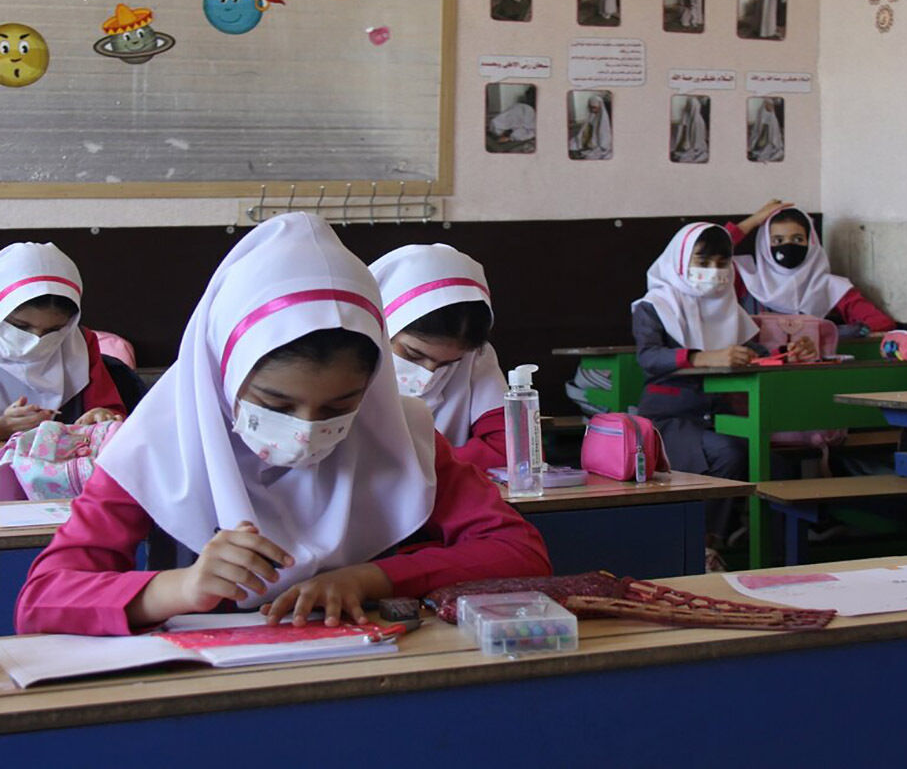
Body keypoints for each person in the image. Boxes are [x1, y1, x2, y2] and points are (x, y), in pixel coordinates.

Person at [17, 213, 550, 636]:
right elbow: (41, 600)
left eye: (340, 407)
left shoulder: (400, 435)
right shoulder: (157, 445)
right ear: (223, 377)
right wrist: (182, 587)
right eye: (274, 403)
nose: (305, 431)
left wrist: (370, 578)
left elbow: (520, 552)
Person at [631, 223, 811, 567]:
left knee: (776, 465)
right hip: (671, 418)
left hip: (723, 416)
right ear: (680, 260)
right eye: (703, 262)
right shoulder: (654, 305)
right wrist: (703, 357)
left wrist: (788, 353)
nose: (713, 271)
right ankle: (703, 544)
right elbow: (649, 357)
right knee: (727, 453)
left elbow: (753, 352)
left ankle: (778, 556)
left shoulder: (729, 307)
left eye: (721, 262)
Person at [369, 244, 508, 470]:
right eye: (413, 354)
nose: (427, 376)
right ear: (383, 323)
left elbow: (511, 449)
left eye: (449, 364)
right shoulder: (346, 357)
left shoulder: (475, 357)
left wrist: (413, 467)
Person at [0, 242, 125, 441]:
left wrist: (102, 417)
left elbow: (110, 412)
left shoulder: (79, 344)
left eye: (53, 330)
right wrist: (3, 428)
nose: (37, 341)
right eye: (21, 327)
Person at [728, 200, 896, 332]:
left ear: (811, 243)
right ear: (764, 244)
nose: (788, 246)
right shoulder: (745, 277)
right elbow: (713, 249)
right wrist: (753, 220)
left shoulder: (829, 286)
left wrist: (823, 335)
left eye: (798, 239)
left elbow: (881, 323)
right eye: (778, 240)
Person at [570, 94, 613, 160]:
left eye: (594, 108)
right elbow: (585, 128)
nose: (592, 110)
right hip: (589, 137)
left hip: (597, 140)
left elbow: (604, 134)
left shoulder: (603, 119)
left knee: (592, 155)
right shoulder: (591, 115)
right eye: (591, 108)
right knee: (573, 143)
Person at [671, 96, 709, 163]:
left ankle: (694, 149)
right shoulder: (686, 117)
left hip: (694, 144)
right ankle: (689, 148)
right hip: (686, 142)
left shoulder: (698, 120)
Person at [748, 98, 783, 163]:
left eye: (771, 105)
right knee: (757, 143)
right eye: (768, 105)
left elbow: (775, 130)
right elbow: (757, 126)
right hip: (761, 132)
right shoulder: (760, 111)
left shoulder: (773, 116)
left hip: (768, 134)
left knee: (770, 147)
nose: (770, 107)